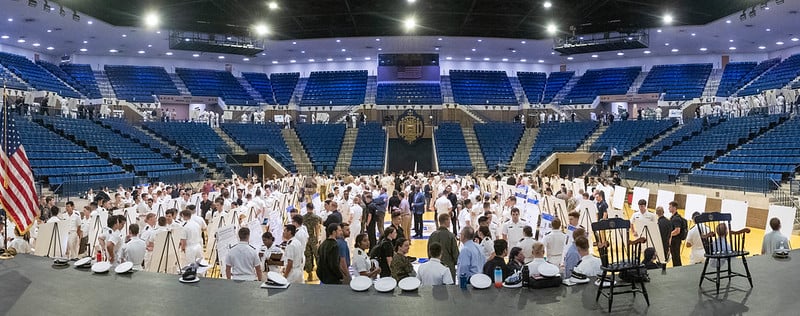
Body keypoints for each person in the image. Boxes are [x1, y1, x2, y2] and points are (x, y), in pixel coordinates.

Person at [428, 213, 459, 280]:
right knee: (449, 288)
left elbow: (428, 251)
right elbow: (455, 253)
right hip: (448, 266)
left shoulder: (432, 235)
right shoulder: (450, 236)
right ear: (446, 221)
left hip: (434, 266)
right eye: (449, 220)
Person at [302, 204, 323, 282]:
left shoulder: (303, 218)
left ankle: (309, 273)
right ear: (313, 208)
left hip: (306, 239)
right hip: (314, 238)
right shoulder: (316, 217)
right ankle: (320, 272)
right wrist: (318, 239)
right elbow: (317, 228)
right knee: (317, 255)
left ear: (307, 208)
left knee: (308, 256)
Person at [668, 201, 686, 267]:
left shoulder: (676, 219)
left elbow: (677, 230)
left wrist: (669, 234)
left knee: (676, 256)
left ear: (674, 208)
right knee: (674, 256)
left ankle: (677, 268)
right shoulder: (673, 217)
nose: (668, 208)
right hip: (674, 240)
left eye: (670, 207)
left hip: (676, 240)